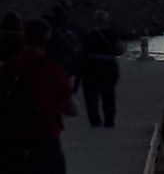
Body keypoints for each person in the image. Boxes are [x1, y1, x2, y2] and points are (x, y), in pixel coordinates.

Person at [0, 18, 77, 174]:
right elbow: (72, 109)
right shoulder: (52, 69)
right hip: (45, 140)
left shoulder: (7, 69)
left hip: (11, 143)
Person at [81, 10, 124, 128]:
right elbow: (120, 49)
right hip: (109, 66)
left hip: (91, 66)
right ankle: (109, 120)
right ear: (106, 21)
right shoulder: (112, 34)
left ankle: (95, 120)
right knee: (108, 94)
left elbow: (82, 51)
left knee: (91, 96)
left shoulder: (88, 35)